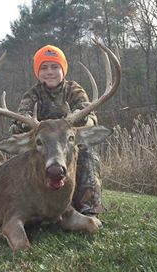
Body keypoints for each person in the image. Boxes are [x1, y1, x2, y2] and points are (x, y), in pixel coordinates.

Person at [9, 45, 105, 216]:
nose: (50, 72)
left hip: (68, 144)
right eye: (44, 67)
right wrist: (23, 124)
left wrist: (79, 118)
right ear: (38, 72)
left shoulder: (73, 90)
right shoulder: (32, 94)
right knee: (21, 150)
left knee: (87, 151)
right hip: (45, 147)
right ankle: (26, 202)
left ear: (63, 69)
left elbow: (87, 112)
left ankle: (89, 205)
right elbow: (22, 115)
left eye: (55, 66)